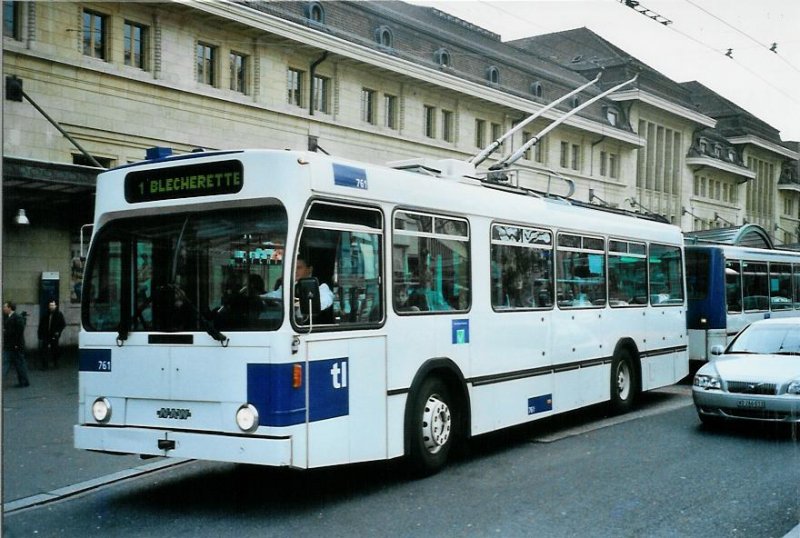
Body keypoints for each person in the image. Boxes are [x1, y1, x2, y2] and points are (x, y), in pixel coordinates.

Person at [264, 255, 335, 311]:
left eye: (299, 267)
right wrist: (259, 298)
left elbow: (326, 300)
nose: (295, 271)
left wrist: (299, 305)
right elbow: (276, 295)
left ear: (309, 269)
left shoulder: (321, 286)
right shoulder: (291, 285)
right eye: (293, 268)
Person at [3, 301, 31, 388]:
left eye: (5, 307)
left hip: (15, 346)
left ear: (10, 308)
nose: (3, 308)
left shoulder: (17, 317)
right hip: (9, 345)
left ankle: (24, 382)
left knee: (18, 364)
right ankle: (24, 381)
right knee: (15, 363)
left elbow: (19, 332)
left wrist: (16, 344)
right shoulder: (8, 317)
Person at [38, 299, 66, 369]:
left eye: (53, 305)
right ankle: (45, 365)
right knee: (44, 350)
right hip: (46, 334)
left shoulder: (59, 314)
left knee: (54, 349)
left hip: (54, 334)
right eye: (50, 305)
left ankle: (55, 362)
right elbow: (41, 325)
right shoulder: (45, 314)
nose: (51, 307)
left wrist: (58, 332)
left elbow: (63, 324)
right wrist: (40, 334)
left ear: (55, 306)